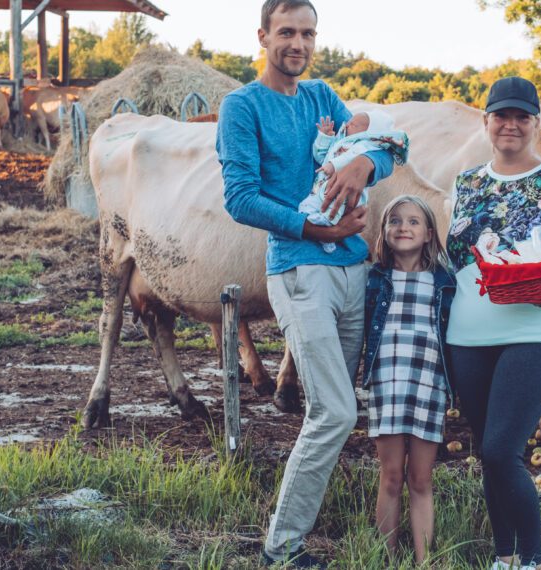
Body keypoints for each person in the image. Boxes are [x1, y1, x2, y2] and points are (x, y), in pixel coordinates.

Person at [215, 1, 396, 567]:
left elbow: (390, 147)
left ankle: (305, 519)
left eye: (308, 33)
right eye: (287, 32)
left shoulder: (321, 97)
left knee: (336, 404)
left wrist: (366, 165)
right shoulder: (241, 106)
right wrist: (316, 226)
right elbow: (240, 197)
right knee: (335, 411)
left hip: (352, 270)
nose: (298, 43)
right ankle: (281, 546)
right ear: (263, 36)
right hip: (299, 269)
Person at [444, 77, 541, 570]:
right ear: (486, 122)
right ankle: (503, 555)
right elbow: (456, 261)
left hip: (533, 332)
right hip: (467, 335)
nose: (510, 125)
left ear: (535, 123)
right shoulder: (465, 183)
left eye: (521, 117)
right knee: (488, 452)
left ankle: (533, 559)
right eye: (500, 116)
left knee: (501, 449)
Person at [361, 196, 455, 564]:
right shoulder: (375, 279)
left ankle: (424, 560)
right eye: (395, 221)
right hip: (387, 385)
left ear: (429, 233)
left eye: (414, 222)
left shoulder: (443, 283)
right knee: (390, 476)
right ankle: (384, 558)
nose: (404, 227)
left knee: (420, 479)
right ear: (384, 232)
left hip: (428, 386)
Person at [300, 109, 408, 252]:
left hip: (343, 191)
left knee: (334, 208)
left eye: (354, 125)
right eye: (349, 122)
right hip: (324, 186)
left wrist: (336, 165)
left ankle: (326, 232)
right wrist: (325, 137)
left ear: (368, 133)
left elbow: (349, 158)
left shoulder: (362, 146)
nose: (347, 125)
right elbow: (321, 157)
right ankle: (323, 232)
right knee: (308, 205)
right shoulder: (342, 142)